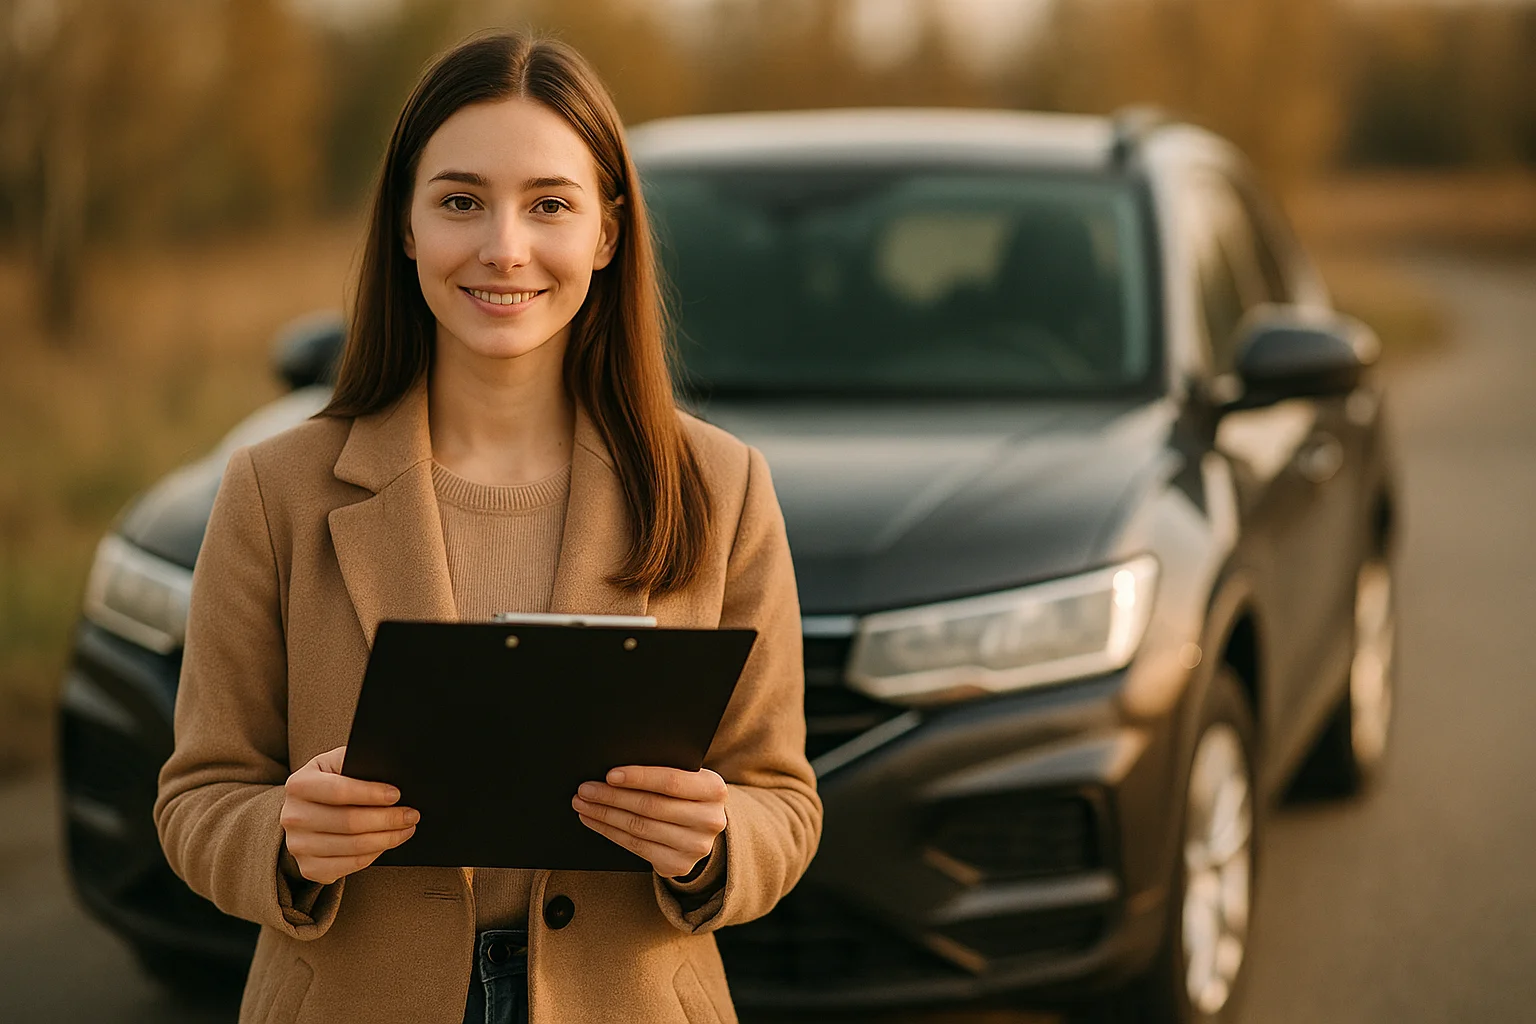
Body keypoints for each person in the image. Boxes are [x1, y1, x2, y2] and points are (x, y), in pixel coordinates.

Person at [153, 31, 821, 1024]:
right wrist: (280, 837)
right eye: (461, 200)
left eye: (549, 203)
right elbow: (197, 795)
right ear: (406, 228)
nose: (504, 246)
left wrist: (717, 836)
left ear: (606, 232)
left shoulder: (719, 486)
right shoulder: (274, 488)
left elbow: (784, 798)